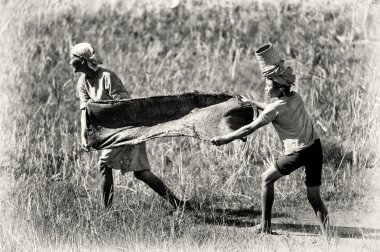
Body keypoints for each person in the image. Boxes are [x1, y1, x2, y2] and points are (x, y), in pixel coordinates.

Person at [211, 43, 329, 235]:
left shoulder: (275, 108)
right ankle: (329, 237)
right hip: (315, 148)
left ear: (280, 88)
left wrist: (226, 138)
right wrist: (251, 102)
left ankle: (265, 226)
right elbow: (272, 108)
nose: (266, 88)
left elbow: (250, 127)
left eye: (268, 85)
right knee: (314, 197)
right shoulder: (295, 97)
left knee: (266, 179)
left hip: (298, 153)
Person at [70, 42, 189, 210]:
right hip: (111, 132)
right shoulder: (82, 83)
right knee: (141, 173)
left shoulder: (107, 77)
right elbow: (85, 111)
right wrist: (84, 135)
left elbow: (124, 105)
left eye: (73, 58)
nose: (70, 62)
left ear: (82, 60)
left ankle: (107, 212)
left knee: (105, 165)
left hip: (127, 128)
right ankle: (179, 205)